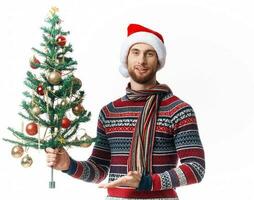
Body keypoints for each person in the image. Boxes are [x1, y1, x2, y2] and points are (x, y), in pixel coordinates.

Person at [46, 24, 205, 200]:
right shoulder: (110, 112)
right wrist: (69, 165)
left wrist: (147, 182)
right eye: (135, 52)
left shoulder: (177, 110)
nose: (142, 60)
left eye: (149, 53)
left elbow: (195, 168)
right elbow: (99, 169)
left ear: (158, 61)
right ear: (126, 58)